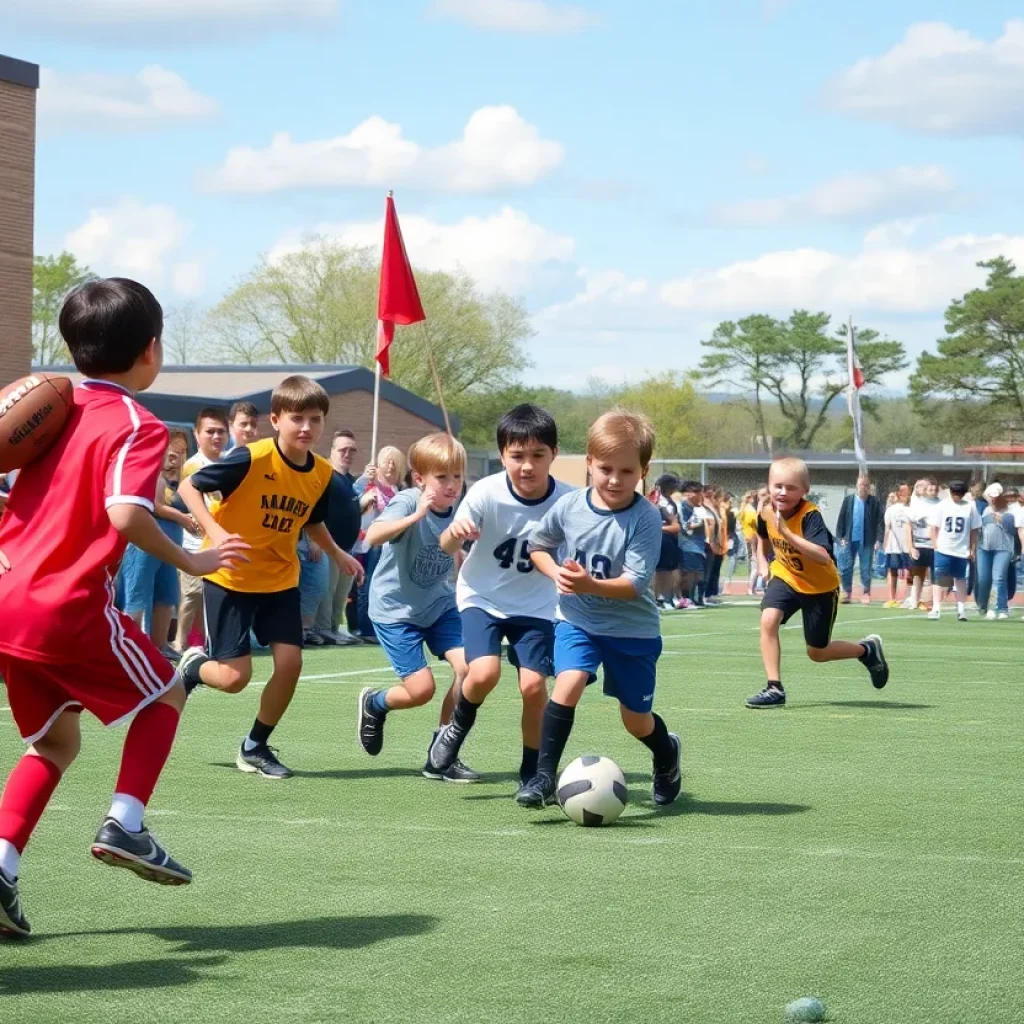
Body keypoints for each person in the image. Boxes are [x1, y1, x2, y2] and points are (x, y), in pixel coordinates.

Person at [0, 278, 247, 936]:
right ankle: (127, 823)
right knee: (168, 687)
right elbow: (125, 514)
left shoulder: (48, 410)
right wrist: (192, 559)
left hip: (9, 598)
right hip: (65, 603)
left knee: (55, 739)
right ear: (152, 350)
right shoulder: (137, 424)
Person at [176, 376, 364, 779]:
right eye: (297, 418)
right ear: (276, 419)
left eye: (315, 419)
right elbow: (190, 486)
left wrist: (337, 553)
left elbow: (312, 522)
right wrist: (217, 530)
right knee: (233, 679)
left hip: (280, 580)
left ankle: (255, 745)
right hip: (230, 578)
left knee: (291, 662)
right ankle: (193, 668)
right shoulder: (251, 457)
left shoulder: (321, 473)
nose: (306, 428)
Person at [515, 411, 682, 809]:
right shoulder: (570, 506)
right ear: (588, 463)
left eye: (627, 471)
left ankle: (666, 753)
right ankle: (542, 778)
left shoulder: (645, 517)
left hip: (632, 631)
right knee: (568, 683)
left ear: (644, 471)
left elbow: (635, 584)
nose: (614, 479)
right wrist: (557, 572)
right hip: (577, 621)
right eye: (605, 468)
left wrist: (588, 584)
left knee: (635, 720)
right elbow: (538, 546)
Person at [425, 404, 573, 787]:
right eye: (517, 456)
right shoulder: (485, 491)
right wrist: (456, 532)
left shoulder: (569, 501)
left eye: (538, 455)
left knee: (534, 685)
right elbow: (445, 545)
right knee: (484, 672)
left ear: (554, 454)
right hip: (482, 596)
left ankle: (533, 771)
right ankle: (455, 728)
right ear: (502, 454)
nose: (527, 466)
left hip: (537, 604)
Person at [355, 433, 479, 783]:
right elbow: (374, 535)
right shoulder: (408, 502)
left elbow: (449, 543)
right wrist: (417, 516)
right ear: (420, 477)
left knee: (469, 669)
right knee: (420, 690)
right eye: (442, 477)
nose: (452, 485)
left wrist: (463, 552)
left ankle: (443, 753)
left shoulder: (462, 506)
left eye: (457, 476)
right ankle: (375, 704)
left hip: (439, 604)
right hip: (396, 611)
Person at [745, 457, 889, 709]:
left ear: (804, 491)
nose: (783, 492)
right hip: (787, 576)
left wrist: (788, 534)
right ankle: (774, 687)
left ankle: (866, 650)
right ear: (768, 486)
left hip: (819, 587)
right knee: (768, 620)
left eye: (791, 488)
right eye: (777, 486)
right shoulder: (765, 510)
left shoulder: (810, 516)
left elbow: (823, 556)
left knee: (817, 653)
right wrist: (762, 562)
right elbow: (762, 538)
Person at [119, 435, 196, 659]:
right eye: (171, 454)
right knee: (138, 595)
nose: (175, 460)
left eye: (180, 454)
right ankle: (132, 648)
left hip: (170, 546)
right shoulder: (150, 473)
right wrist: (184, 518)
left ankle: (160, 646)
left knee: (167, 594)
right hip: (145, 544)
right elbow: (157, 506)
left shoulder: (177, 481)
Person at [172, 407, 229, 652]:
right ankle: (180, 644)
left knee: (213, 597)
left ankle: (206, 644)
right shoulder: (193, 465)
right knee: (192, 596)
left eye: (221, 432)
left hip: (221, 543)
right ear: (197, 435)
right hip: (195, 543)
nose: (216, 437)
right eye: (210, 432)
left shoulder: (228, 463)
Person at [312, 430, 363, 645]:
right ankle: (323, 629)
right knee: (328, 591)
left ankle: (334, 628)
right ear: (332, 451)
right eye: (343, 449)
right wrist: (315, 540)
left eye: (352, 450)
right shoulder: (325, 476)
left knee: (340, 594)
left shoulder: (350, 480)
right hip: (329, 546)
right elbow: (314, 509)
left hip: (347, 548)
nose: (348, 454)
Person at [352, 445, 406, 643]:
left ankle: (382, 624)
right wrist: (365, 482)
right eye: (386, 461)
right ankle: (364, 627)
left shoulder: (396, 491)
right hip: (370, 544)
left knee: (385, 587)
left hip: (390, 545)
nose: (390, 466)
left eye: (394, 462)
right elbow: (354, 501)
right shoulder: (369, 486)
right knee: (367, 585)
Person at [926, 480, 981, 622]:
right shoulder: (942, 506)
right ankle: (936, 608)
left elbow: (974, 529)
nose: (957, 496)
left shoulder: (970, 507)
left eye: (960, 493)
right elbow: (934, 527)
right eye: (955, 493)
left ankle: (961, 609)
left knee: (960, 579)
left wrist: (972, 548)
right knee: (939, 578)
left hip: (961, 549)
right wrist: (935, 545)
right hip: (944, 548)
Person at [835, 475, 884, 604]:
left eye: (866, 485)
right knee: (846, 567)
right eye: (861, 485)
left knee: (865, 568)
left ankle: (866, 592)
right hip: (849, 540)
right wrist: (841, 537)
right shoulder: (849, 500)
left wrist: (879, 539)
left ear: (869, 487)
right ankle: (847, 592)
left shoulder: (874, 502)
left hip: (867, 540)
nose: (863, 488)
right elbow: (841, 519)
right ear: (856, 486)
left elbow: (879, 522)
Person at [975, 483, 1014, 620]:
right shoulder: (984, 510)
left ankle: (1000, 608)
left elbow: (1012, 531)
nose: (993, 499)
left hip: (1003, 549)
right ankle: (983, 605)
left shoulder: (1009, 511)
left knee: (999, 578)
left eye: (995, 497)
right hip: (984, 548)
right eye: (991, 497)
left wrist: (1003, 521)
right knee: (983, 578)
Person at [905, 478, 939, 611]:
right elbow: (908, 526)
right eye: (928, 488)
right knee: (918, 574)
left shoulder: (940, 504)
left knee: (937, 575)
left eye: (933, 489)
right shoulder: (916, 504)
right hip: (920, 543)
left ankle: (936, 603)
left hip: (935, 545)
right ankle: (914, 601)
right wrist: (910, 546)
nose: (931, 491)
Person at [650, 473, 681, 608]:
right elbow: (673, 523)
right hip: (664, 538)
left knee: (668, 569)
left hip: (669, 538)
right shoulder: (661, 502)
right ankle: (659, 598)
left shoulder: (666, 501)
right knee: (662, 570)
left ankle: (665, 597)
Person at [882, 482, 912, 608]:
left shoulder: (911, 508)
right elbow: (887, 528)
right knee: (893, 571)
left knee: (909, 572)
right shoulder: (891, 509)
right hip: (894, 546)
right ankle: (892, 598)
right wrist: (885, 544)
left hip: (908, 546)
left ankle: (905, 598)